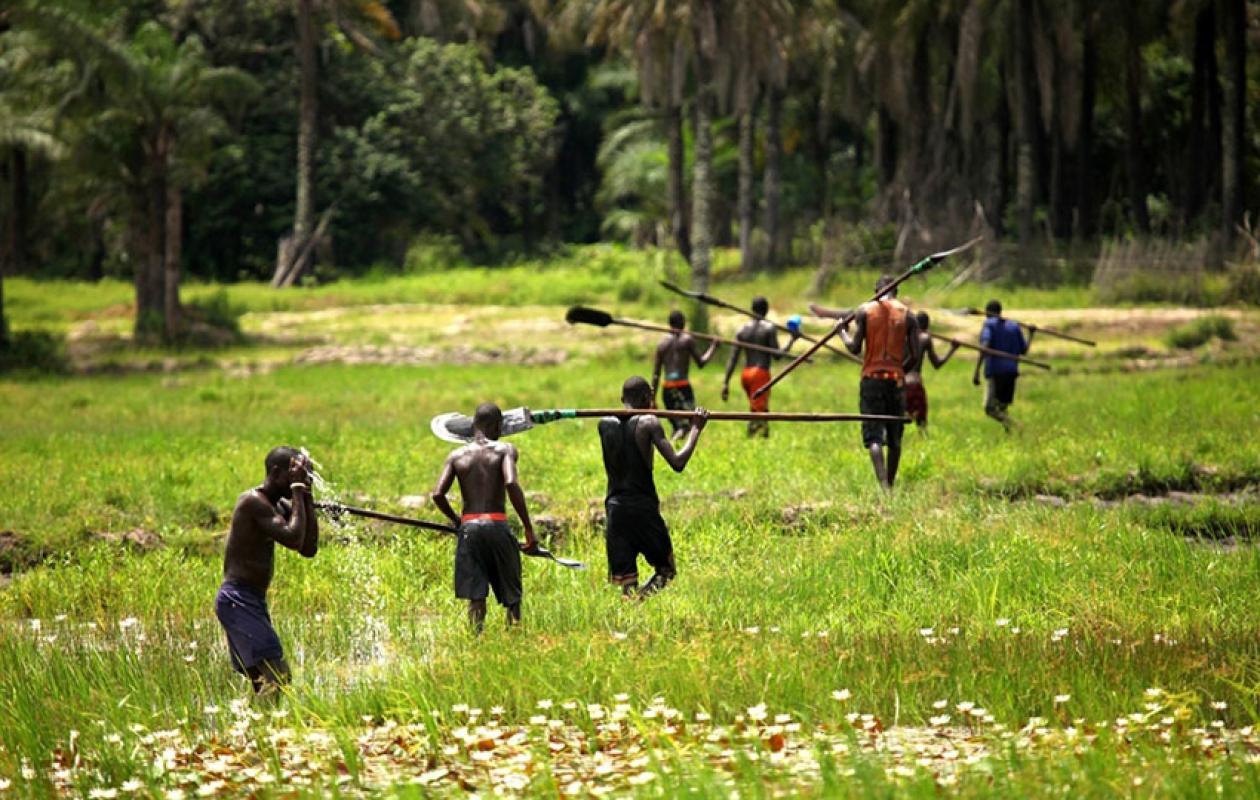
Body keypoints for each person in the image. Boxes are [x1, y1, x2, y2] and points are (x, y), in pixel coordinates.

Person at [216, 446, 319, 698]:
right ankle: (266, 722)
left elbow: (308, 547)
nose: (298, 480)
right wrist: (297, 491)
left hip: (251, 600)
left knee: (264, 682)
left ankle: (255, 722)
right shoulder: (253, 502)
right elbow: (293, 538)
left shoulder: (279, 505)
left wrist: (306, 497)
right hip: (238, 599)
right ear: (275, 472)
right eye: (293, 475)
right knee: (277, 676)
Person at [599, 376, 708, 598]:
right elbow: (677, 463)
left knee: (627, 581)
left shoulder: (603, 423)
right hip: (642, 508)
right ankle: (640, 600)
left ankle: (631, 606)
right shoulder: (649, 423)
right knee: (666, 570)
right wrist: (696, 429)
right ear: (645, 398)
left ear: (622, 399)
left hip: (615, 508)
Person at [432, 403, 538, 632]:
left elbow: (438, 494)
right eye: (500, 427)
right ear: (496, 426)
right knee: (512, 594)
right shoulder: (505, 450)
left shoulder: (456, 455)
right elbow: (511, 483)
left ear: (474, 426)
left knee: (476, 595)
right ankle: (513, 636)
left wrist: (458, 521)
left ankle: (475, 638)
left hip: (469, 528)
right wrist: (528, 528)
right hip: (497, 524)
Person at [838, 275, 921, 490]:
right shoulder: (908, 315)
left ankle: (883, 486)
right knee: (895, 438)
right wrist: (900, 371)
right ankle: (890, 484)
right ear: (897, 292)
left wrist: (842, 332)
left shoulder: (865, 311)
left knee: (874, 437)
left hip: (871, 379)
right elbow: (915, 355)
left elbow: (855, 347)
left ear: (876, 291)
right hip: (896, 381)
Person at [721, 296, 792, 437]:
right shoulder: (769, 328)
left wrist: (726, 382)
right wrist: (792, 340)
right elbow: (777, 356)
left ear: (752, 309)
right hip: (760, 374)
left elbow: (733, 358)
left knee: (756, 409)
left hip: (746, 375)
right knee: (760, 413)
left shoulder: (742, 330)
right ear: (766, 310)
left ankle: (758, 437)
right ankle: (756, 438)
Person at [651, 310, 719, 441]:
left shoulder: (662, 343)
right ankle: (673, 443)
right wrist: (713, 346)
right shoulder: (687, 340)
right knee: (688, 423)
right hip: (682, 386)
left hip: (667, 387)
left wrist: (653, 398)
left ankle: (672, 446)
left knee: (677, 424)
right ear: (682, 323)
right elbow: (701, 362)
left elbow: (656, 373)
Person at [971, 299, 1034, 432]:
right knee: (1002, 408)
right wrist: (1031, 335)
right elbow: (1024, 351)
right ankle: (1010, 434)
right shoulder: (1014, 326)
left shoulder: (989, 325)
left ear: (987, 313)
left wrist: (976, 371)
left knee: (990, 408)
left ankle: (1017, 426)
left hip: (996, 371)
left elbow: (984, 347)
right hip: (1011, 371)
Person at [904, 311, 960, 432]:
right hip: (915, 383)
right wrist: (952, 349)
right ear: (927, 325)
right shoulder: (925, 338)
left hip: (900, 383)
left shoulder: (902, 337)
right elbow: (937, 364)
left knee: (897, 420)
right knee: (921, 423)